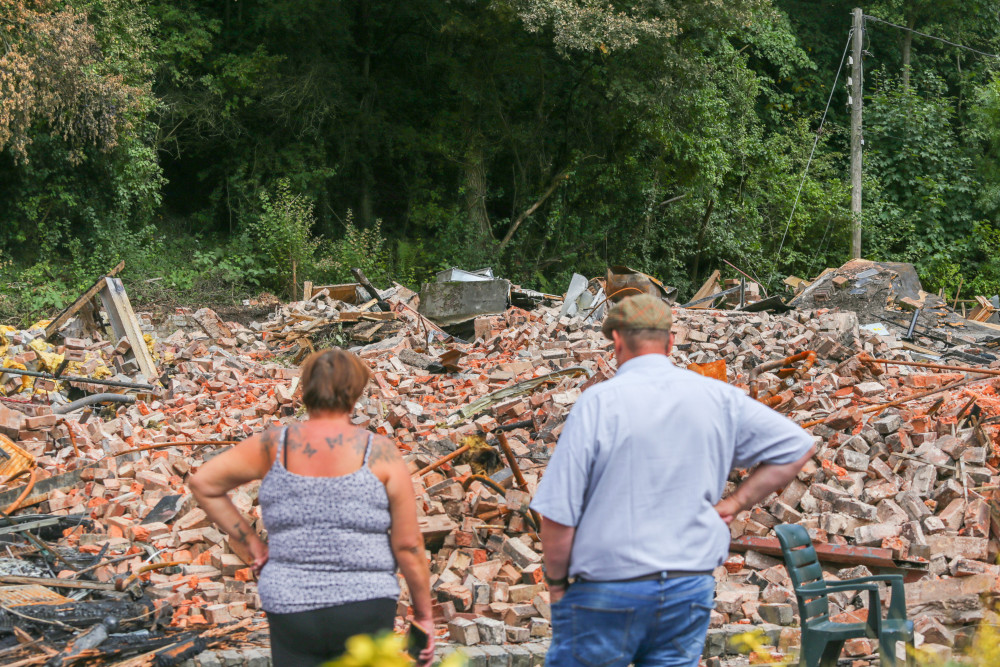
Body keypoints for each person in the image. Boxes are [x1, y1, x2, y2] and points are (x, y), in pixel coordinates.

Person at [530, 294, 816, 667]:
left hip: (609, 589)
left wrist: (556, 587)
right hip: (687, 588)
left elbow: (558, 515)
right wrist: (733, 504)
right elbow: (797, 445)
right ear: (670, 341)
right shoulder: (717, 398)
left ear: (616, 340)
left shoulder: (599, 403)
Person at [189, 348, 435, 667]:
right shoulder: (381, 453)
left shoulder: (272, 445)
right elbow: (408, 544)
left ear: (305, 390)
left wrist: (253, 546)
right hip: (365, 605)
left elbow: (203, 484)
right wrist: (425, 617)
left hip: (291, 606)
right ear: (357, 391)